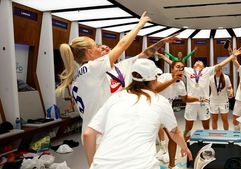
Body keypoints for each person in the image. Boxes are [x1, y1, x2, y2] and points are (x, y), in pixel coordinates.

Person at [55, 12, 179, 146]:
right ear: (90, 53)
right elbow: (122, 45)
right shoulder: (91, 69)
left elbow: (145, 54)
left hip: (105, 131)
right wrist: (140, 24)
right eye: (97, 47)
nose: (103, 48)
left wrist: (162, 42)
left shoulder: (89, 74)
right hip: (102, 134)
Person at [83, 58, 193, 169]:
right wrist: (185, 147)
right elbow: (174, 132)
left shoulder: (115, 97)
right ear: (154, 80)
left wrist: (93, 168)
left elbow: (88, 134)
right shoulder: (159, 100)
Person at [182, 48, 241, 141]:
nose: (198, 62)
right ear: (193, 66)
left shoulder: (207, 71)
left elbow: (220, 65)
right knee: (188, 127)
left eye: (200, 62)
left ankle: (208, 141)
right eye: (196, 62)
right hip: (192, 103)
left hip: (205, 103)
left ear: (203, 66)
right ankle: (185, 143)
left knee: (206, 126)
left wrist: (232, 56)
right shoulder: (188, 70)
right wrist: (163, 56)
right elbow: (174, 64)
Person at [155, 61, 200, 169]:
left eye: (182, 68)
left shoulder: (181, 84)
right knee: (147, 139)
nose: (180, 69)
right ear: (172, 69)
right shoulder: (164, 77)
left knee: (173, 138)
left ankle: (172, 165)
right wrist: (172, 80)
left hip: (167, 113)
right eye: (177, 67)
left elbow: (185, 99)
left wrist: (197, 99)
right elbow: (156, 89)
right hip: (153, 111)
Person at [209, 65, 233, 130]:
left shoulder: (226, 77)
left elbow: (230, 88)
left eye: (219, 70)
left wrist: (231, 92)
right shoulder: (210, 78)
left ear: (221, 70)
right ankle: (214, 134)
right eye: (216, 70)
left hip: (223, 101)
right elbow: (206, 88)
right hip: (213, 101)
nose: (218, 71)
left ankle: (226, 134)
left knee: (224, 119)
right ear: (214, 70)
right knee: (214, 119)